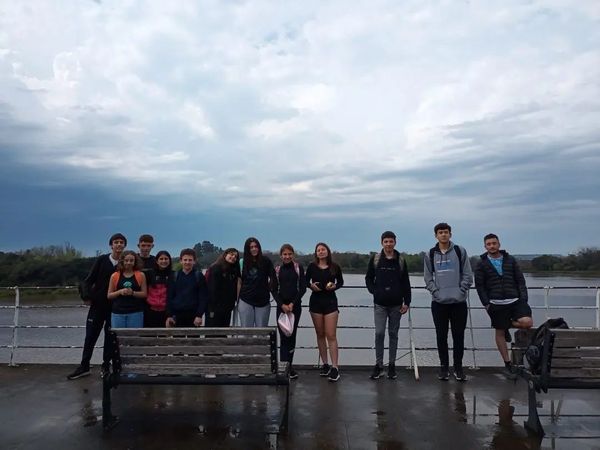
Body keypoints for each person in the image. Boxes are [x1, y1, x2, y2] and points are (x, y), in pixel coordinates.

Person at [67, 233, 126, 380]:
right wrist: (86, 297)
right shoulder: (102, 260)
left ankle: (106, 366)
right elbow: (87, 280)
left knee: (110, 338)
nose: (119, 244)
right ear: (111, 245)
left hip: (115, 307)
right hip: (98, 305)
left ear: (124, 245)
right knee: (90, 336)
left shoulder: (126, 262)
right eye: (116, 242)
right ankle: (84, 366)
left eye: (121, 242)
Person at [474, 233, 533, 378]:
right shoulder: (481, 264)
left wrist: (523, 299)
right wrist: (486, 304)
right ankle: (507, 364)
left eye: (494, 243)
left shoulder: (510, 260)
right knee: (499, 332)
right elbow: (480, 286)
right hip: (495, 303)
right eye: (489, 244)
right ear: (485, 246)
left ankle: (506, 324)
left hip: (515, 300)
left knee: (527, 322)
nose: (492, 246)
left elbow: (520, 281)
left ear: (499, 244)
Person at [424, 223, 473, 382]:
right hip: (439, 303)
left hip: (458, 303)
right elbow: (427, 277)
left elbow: (468, 275)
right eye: (440, 232)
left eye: (446, 232)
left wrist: (461, 291)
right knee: (441, 336)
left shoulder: (460, 251)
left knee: (459, 336)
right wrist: (435, 292)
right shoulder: (430, 254)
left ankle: (458, 368)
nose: (443, 235)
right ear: (436, 235)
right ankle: (444, 368)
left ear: (450, 234)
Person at [365, 231, 411, 380]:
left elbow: (406, 282)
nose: (389, 244)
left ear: (395, 242)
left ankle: (392, 365)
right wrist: (374, 291)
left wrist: (407, 302)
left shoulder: (401, 260)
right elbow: (368, 278)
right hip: (380, 304)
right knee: (379, 333)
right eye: (386, 241)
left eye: (391, 241)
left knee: (393, 334)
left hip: (396, 304)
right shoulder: (376, 259)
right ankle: (379, 365)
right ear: (382, 243)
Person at [306, 242, 344, 382]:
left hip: (330, 302)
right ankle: (325, 364)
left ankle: (335, 367)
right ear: (316, 253)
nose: (321, 252)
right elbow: (304, 281)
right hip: (316, 302)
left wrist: (334, 286)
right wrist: (311, 286)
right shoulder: (311, 266)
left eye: (323, 249)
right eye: (318, 250)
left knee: (331, 335)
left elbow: (341, 282)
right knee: (320, 334)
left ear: (327, 251)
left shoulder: (335, 267)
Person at [273, 244, 307, 379]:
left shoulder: (298, 268)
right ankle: (283, 369)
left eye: (289, 254)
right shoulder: (277, 269)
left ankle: (290, 366)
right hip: (281, 308)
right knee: (283, 338)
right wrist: (282, 305)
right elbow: (273, 289)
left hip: (295, 307)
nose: (287, 256)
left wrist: (292, 303)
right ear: (281, 256)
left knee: (292, 337)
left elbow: (303, 288)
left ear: (293, 254)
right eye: (285, 254)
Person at [238, 237, 276, 327]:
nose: (254, 249)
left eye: (256, 246)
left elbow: (273, 277)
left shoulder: (266, 261)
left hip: (263, 301)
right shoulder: (242, 262)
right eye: (251, 247)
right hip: (245, 299)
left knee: (262, 330)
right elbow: (238, 281)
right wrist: (237, 299)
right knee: (246, 331)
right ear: (247, 249)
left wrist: (270, 289)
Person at [166, 248, 208, 327]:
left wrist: (199, 315)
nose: (187, 262)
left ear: (194, 261)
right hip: (177, 315)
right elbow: (169, 297)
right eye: (185, 260)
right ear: (181, 261)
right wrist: (169, 315)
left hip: (194, 316)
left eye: (190, 260)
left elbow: (203, 297)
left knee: (193, 336)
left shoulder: (199, 276)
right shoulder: (174, 276)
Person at [107, 250, 147, 327]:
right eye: (126, 260)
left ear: (135, 262)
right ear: (122, 261)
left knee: (134, 334)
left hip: (136, 312)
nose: (129, 263)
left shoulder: (140, 275)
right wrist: (120, 292)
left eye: (131, 260)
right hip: (118, 313)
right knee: (118, 334)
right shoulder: (115, 276)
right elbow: (109, 295)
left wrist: (133, 293)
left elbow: (144, 294)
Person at [206, 248, 242, 327]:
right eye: (231, 254)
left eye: (236, 256)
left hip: (227, 308)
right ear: (225, 255)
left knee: (224, 331)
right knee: (212, 331)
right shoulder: (216, 268)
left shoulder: (233, 270)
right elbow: (211, 290)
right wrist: (212, 308)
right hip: (214, 309)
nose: (233, 257)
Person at [144, 250, 172, 327]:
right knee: (149, 334)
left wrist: (170, 314)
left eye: (166, 259)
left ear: (169, 260)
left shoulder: (173, 274)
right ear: (156, 261)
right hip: (150, 311)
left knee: (164, 334)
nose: (164, 261)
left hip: (166, 312)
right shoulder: (149, 273)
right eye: (161, 259)